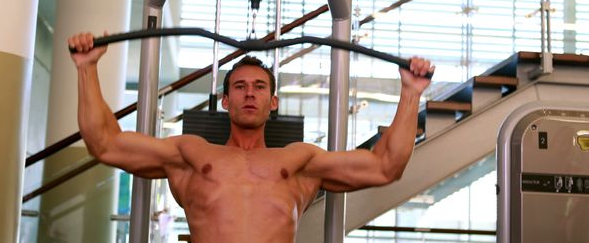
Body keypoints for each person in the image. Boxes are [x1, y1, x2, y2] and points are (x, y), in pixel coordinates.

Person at [68, 32, 433, 243]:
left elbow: (386, 166)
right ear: (225, 100)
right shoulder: (189, 154)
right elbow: (105, 142)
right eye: (239, 87)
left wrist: (411, 92)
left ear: (272, 102)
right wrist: (87, 68)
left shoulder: (300, 161)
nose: (249, 93)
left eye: (259, 87)